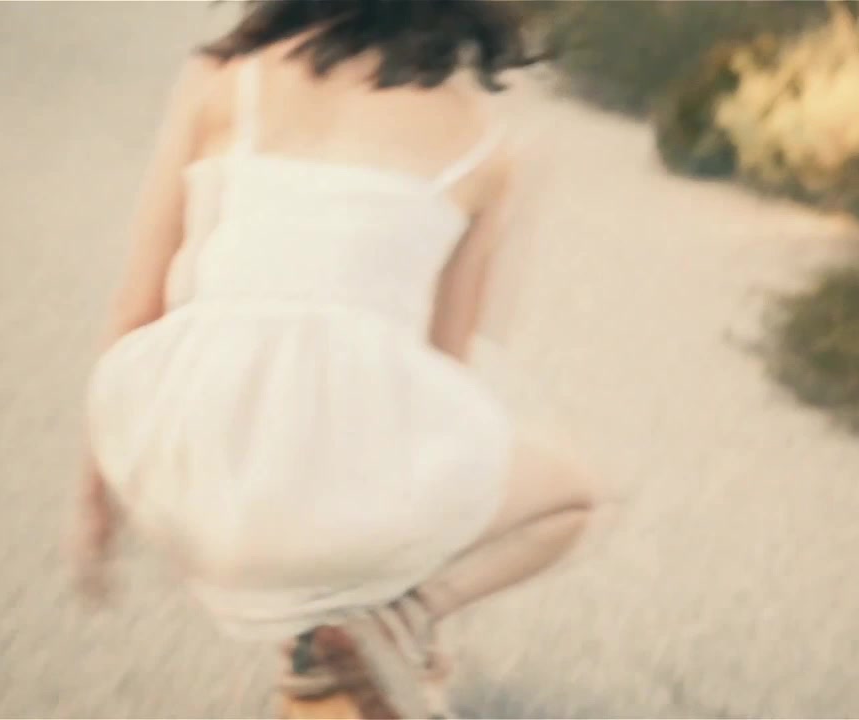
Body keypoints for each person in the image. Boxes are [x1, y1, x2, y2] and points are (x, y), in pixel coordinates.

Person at [70, 0, 595, 714]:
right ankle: (393, 619)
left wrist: (96, 500)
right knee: (571, 498)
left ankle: (336, 630)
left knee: (335, 450)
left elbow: (135, 309)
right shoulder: (486, 144)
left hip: (197, 480)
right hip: (329, 500)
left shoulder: (224, 79)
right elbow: (442, 379)